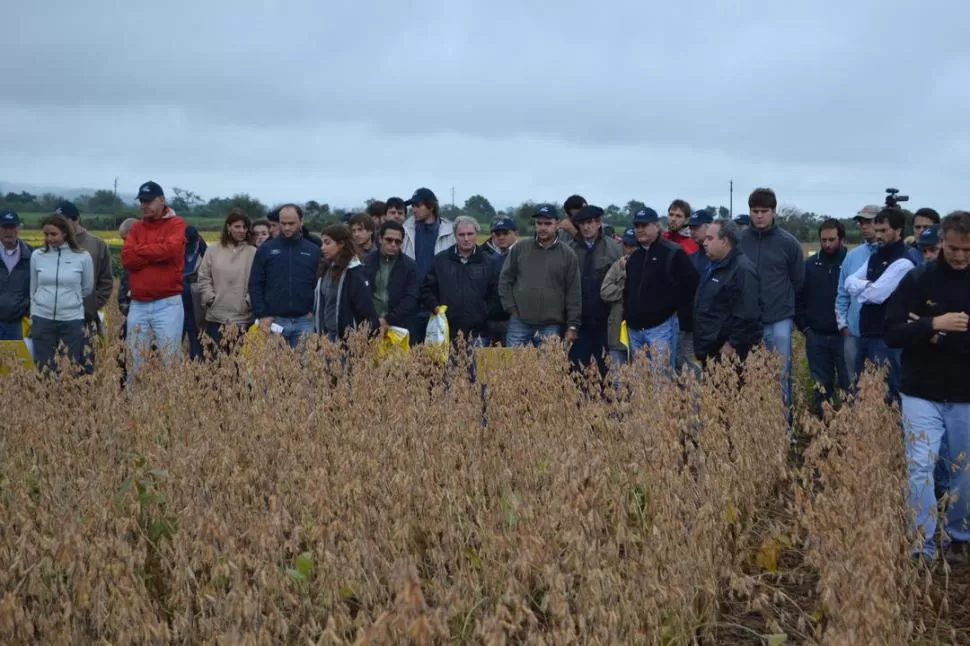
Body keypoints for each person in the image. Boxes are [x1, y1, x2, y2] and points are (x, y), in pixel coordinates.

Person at [886, 210, 970, 564]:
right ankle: (921, 543)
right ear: (941, 242)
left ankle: (960, 534)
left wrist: (933, 335)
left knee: (963, 470)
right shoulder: (918, 280)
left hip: (965, 393)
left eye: (967, 250)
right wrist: (934, 323)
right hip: (920, 391)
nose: (960, 256)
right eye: (953, 248)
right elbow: (892, 331)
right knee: (920, 466)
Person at [739, 187, 805, 415]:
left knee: (780, 375)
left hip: (779, 319)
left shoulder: (789, 243)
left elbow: (798, 281)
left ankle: (783, 426)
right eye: (755, 211)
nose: (759, 215)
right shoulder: (739, 241)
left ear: (774, 212)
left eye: (764, 211)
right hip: (747, 321)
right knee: (749, 376)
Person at [844, 207, 914, 403]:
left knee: (888, 395)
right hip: (866, 334)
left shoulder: (903, 262)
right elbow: (849, 282)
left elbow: (877, 296)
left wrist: (864, 290)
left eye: (884, 230)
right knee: (862, 392)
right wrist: (868, 286)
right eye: (878, 230)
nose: (879, 235)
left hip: (886, 338)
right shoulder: (875, 257)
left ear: (898, 230)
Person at [623, 207, 699, 372]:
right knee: (640, 381)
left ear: (657, 226)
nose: (640, 230)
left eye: (645, 225)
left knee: (661, 379)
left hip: (661, 327)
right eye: (637, 226)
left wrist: (670, 308)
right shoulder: (634, 257)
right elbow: (627, 290)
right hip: (635, 329)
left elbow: (691, 285)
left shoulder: (672, 252)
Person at [122, 181, 186, 374]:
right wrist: (156, 252)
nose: (144, 205)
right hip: (138, 303)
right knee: (134, 361)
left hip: (167, 303)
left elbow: (172, 250)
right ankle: (136, 404)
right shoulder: (137, 228)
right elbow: (127, 259)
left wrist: (140, 251)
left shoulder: (177, 224)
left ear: (162, 200)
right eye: (141, 201)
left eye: (149, 201)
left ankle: (173, 404)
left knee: (170, 360)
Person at [499, 204, 581, 347]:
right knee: (512, 366)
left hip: (551, 325)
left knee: (547, 368)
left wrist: (572, 325)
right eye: (539, 223)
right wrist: (511, 309)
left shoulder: (568, 254)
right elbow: (505, 280)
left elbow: (574, 292)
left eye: (548, 223)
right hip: (519, 322)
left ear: (557, 224)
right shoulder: (520, 248)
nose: (542, 227)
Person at [795, 219, 850, 415]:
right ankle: (822, 431)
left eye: (832, 240)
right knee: (821, 387)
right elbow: (798, 298)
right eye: (823, 240)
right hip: (817, 336)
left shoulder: (851, 264)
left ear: (841, 239)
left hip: (845, 337)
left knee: (848, 385)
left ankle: (848, 433)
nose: (827, 244)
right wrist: (805, 328)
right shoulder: (810, 265)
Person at [248, 204, 321, 349]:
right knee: (274, 370)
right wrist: (262, 314)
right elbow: (255, 283)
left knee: (305, 369)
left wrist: (314, 310)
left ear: (301, 221)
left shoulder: (313, 250)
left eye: (291, 223)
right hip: (274, 321)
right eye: (283, 223)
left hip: (305, 321)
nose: (287, 228)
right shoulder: (266, 249)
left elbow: (319, 284)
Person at [29, 214, 94, 374]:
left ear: (65, 233)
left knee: (69, 368)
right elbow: (33, 287)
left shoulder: (82, 257)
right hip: (42, 319)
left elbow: (86, 288)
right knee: (44, 368)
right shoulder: (37, 256)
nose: (49, 238)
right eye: (46, 234)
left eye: (54, 234)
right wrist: (35, 312)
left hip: (71, 320)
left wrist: (72, 300)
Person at [421, 216, 500, 347]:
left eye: (470, 234)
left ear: (477, 235)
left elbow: (495, 294)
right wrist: (435, 307)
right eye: (461, 234)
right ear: (455, 236)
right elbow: (427, 289)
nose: (466, 238)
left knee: (477, 368)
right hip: (446, 332)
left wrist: (483, 312)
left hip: (478, 333)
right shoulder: (440, 260)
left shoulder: (489, 262)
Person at [693, 219, 762, 364]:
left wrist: (732, 344)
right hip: (710, 351)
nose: (705, 243)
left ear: (725, 241)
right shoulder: (715, 266)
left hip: (728, 355)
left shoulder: (742, 270)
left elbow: (748, 314)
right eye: (705, 238)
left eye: (710, 238)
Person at [56, 201, 113, 361]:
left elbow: (106, 280)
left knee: (85, 364)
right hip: (58, 317)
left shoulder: (97, 245)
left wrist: (92, 305)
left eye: (63, 222)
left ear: (76, 220)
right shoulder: (53, 245)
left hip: (86, 318)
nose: (59, 227)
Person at [569, 204, 622, 374]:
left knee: (605, 369)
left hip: (605, 320)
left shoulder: (614, 248)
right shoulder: (569, 249)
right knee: (577, 368)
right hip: (578, 320)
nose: (586, 227)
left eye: (590, 222)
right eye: (582, 223)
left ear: (599, 223)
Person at [198, 209, 257, 354]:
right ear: (228, 227)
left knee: (241, 361)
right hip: (217, 314)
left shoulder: (253, 252)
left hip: (242, 315)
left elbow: (258, 280)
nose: (241, 230)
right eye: (237, 226)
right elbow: (204, 277)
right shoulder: (212, 251)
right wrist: (210, 298)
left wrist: (248, 301)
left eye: (244, 227)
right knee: (217, 360)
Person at [402, 187, 455, 343]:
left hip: (438, 300)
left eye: (418, 206)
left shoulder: (449, 231)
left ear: (431, 207)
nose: (414, 210)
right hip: (412, 299)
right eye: (413, 206)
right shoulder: (405, 230)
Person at [836, 204, 881, 387]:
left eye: (868, 221)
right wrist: (843, 326)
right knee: (854, 383)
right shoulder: (852, 256)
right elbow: (842, 293)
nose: (864, 226)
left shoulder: (894, 256)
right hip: (854, 333)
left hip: (881, 335)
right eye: (861, 222)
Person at [314, 224, 379, 342]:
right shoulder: (325, 270)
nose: (322, 248)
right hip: (327, 340)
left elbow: (366, 312)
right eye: (322, 243)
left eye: (327, 243)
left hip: (348, 342)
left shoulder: (355, 273)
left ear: (341, 244)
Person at [364, 221, 420, 338]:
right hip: (368, 325)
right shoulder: (366, 262)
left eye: (397, 241)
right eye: (389, 240)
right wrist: (373, 320)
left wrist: (388, 320)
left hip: (400, 327)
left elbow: (411, 297)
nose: (393, 244)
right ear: (380, 239)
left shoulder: (410, 266)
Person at [600, 227, 638, 366]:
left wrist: (625, 274)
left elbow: (641, 291)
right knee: (617, 380)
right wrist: (625, 290)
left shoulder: (647, 265)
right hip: (616, 329)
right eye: (625, 245)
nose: (628, 250)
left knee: (638, 378)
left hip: (637, 332)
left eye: (632, 246)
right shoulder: (617, 266)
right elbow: (605, 292)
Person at [0, 209, 32, 341]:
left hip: (18, 323)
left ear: (19, 228)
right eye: (4, 227)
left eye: (12, 227)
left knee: (16, 361)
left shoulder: (31, 255)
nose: (8, 231)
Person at [181, 226, 208, 360]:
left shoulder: (205, 253)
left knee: (196, 342)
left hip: (197, 306)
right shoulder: (177, 251)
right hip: (178, 304)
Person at [116, 218, 137, 339]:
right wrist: (122, 301)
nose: (124, 243)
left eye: (125, 239)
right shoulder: (128, 254)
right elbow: (125, 281)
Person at [689, 210, 713, 275]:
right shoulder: (691, 258)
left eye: (696, 227)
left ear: (709, 226)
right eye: (690, 228)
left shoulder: (721, 256)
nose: (692, 232)